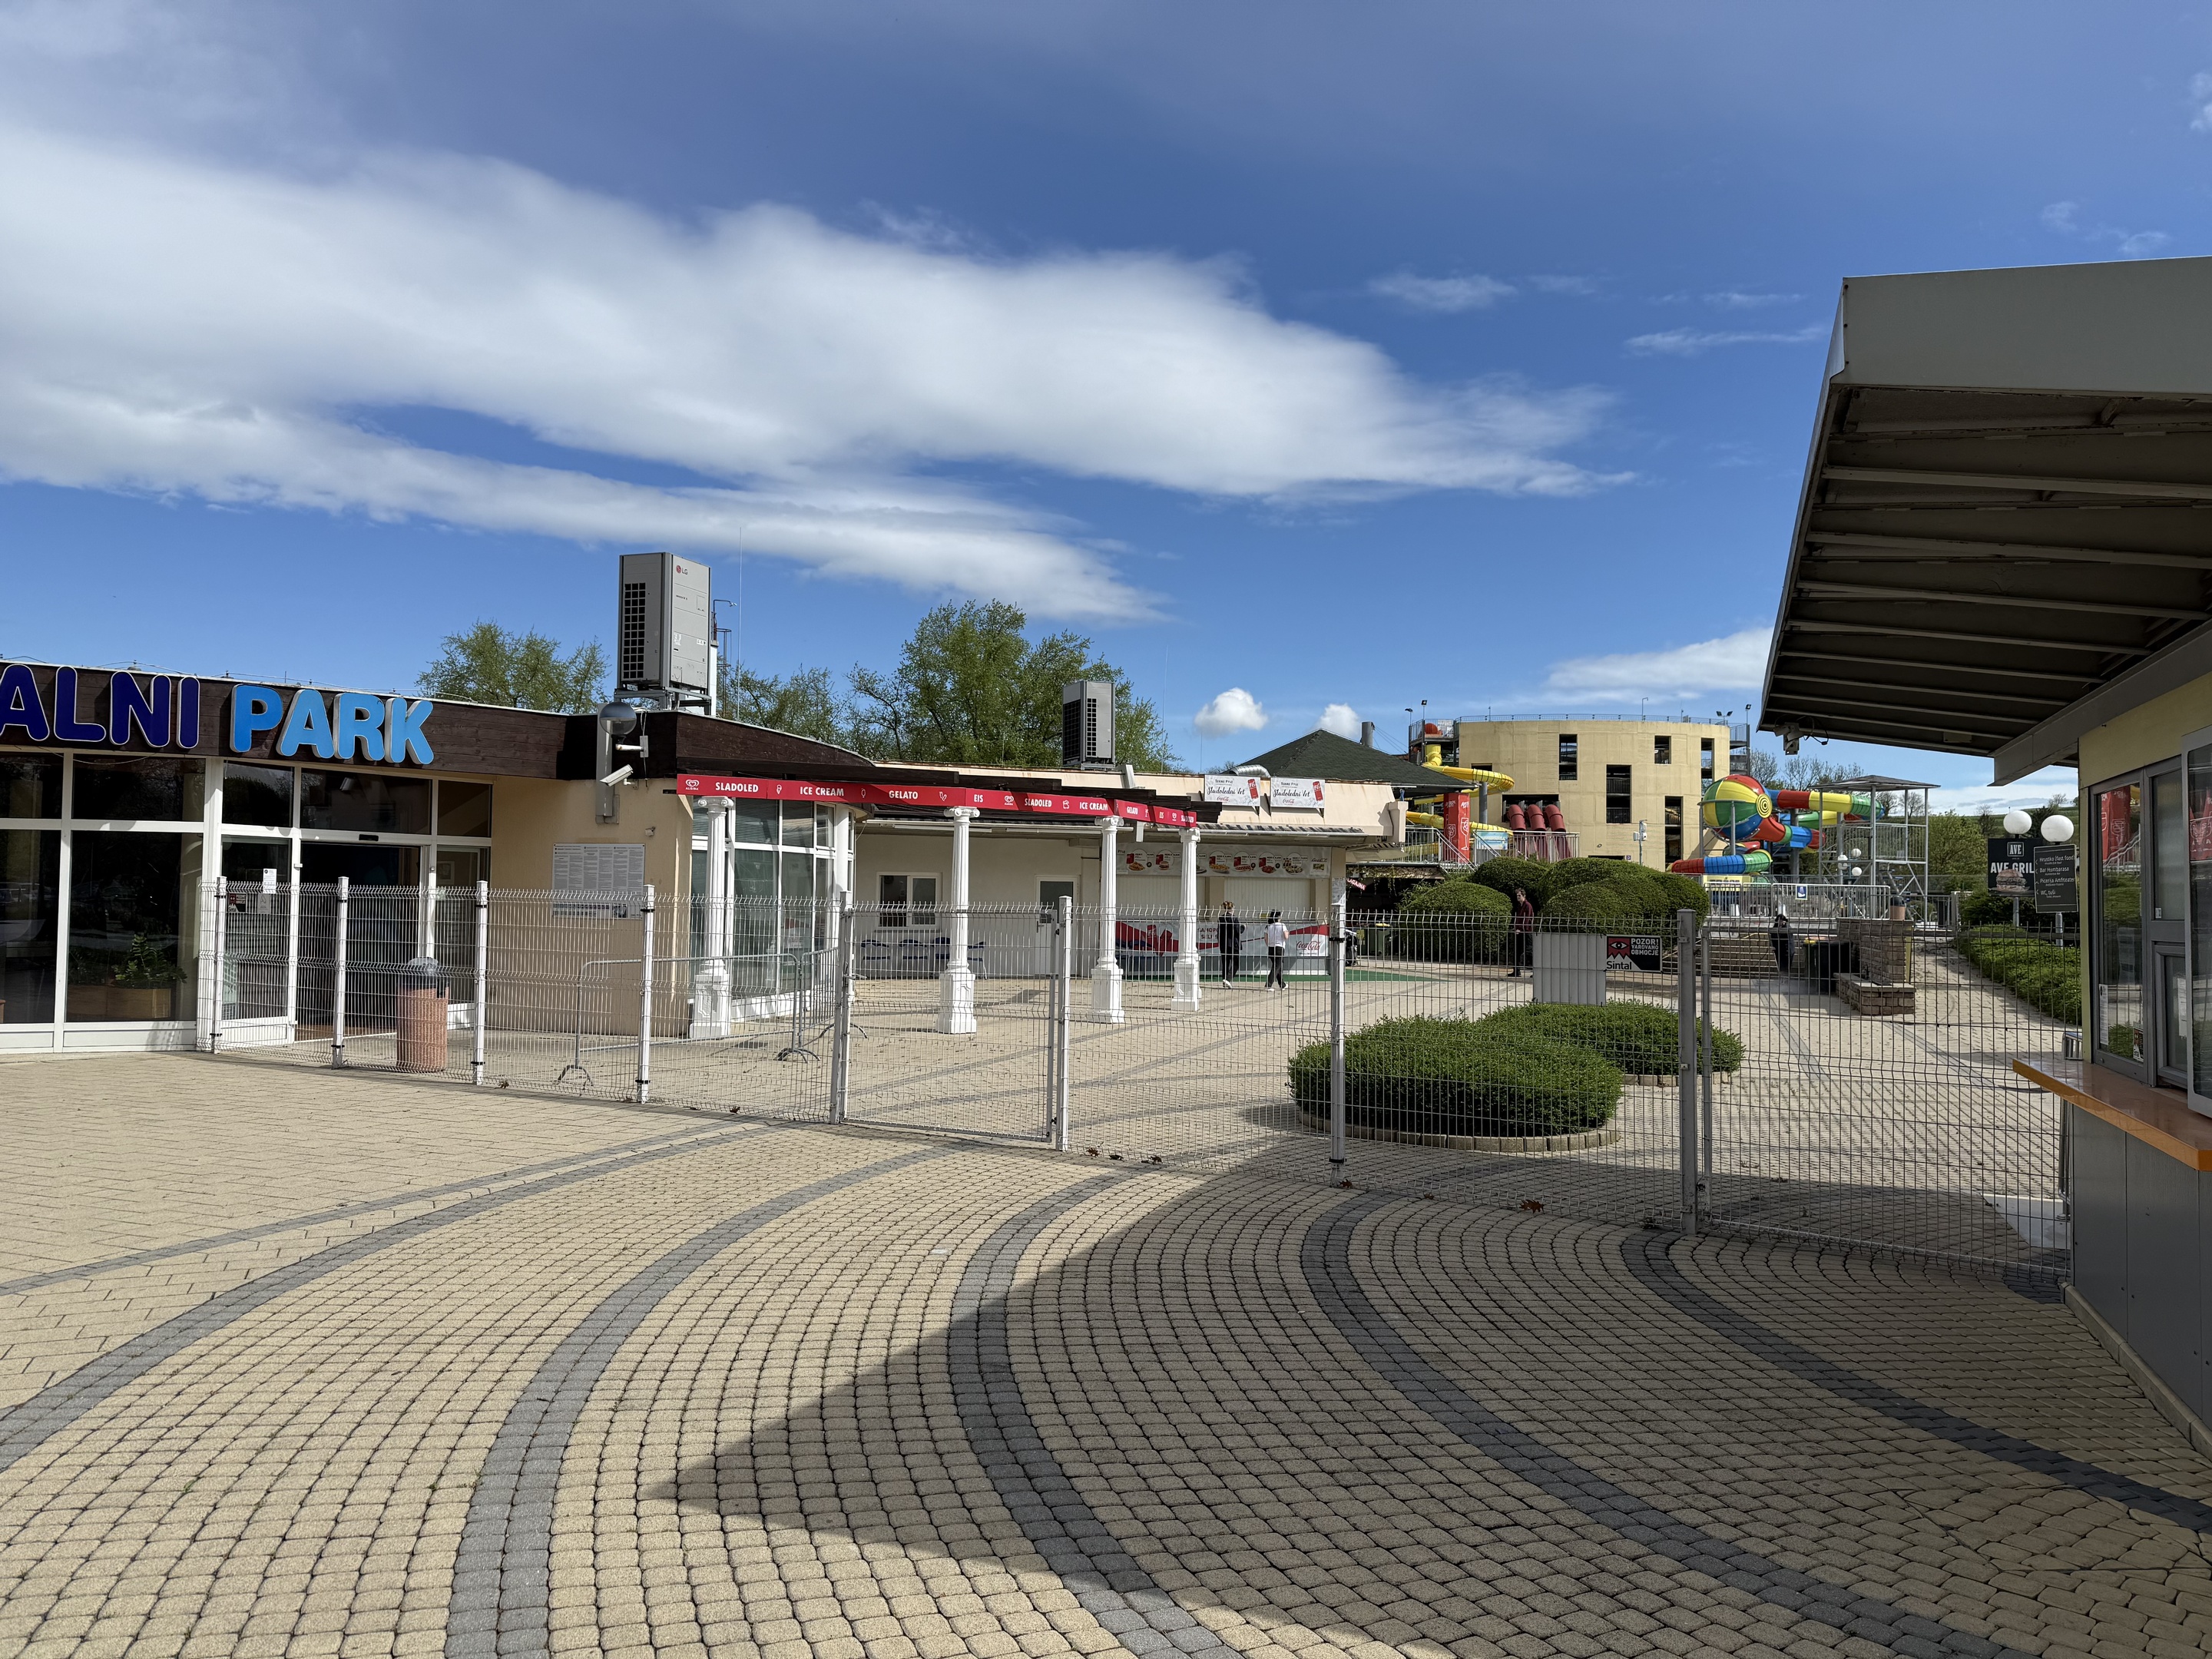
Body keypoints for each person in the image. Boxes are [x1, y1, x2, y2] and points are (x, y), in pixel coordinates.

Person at [1509, 886, 1535, 976]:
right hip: (1519, 931)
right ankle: (1516, 971)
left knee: (1529, 952)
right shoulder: (1520, 906)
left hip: (1526, 932)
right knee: (1516, 952)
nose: (1518, 897)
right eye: (1517, 896)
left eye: (1519, 895)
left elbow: (1527, 919)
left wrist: (1520, 928)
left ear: (1524, 896)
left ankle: (1535, 971)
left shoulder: (1527, 905)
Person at [1217, 900, 1244, 984]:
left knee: (1225, 963)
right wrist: (1243, 927)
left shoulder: (1221, 918)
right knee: (1236, 963)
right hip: (1233, 944)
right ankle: (1228, 979)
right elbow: (1237, 931)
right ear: (1232, 908)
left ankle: (1224, 979)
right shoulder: (1234, 918)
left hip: (1223, 944)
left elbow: (1219, 931)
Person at [1263, 911, 1290, 989]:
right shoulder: (1282, 925)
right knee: (1276, 966)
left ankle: (1282, 984)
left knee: (1278, 967)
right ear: (1278, 917)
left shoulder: (1269, 926)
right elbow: (1286, 937)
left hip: (1271, 948)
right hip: (1279, 947)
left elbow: (1266, 939)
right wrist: (1287, 933)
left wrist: (1269, 945)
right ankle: (1268, 985)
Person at [1771, 905, 1793, 975]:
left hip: (1786, 950)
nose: (1781, 922)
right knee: (1780, 965)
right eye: (1780, 921)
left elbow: (1789, 940)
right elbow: (1773, 938)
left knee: (1786, 966)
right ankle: (1782, 976)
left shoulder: (1787, 928)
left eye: (1782, 921)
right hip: (1778, 950)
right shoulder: (1775, 929)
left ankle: (1785, 976)